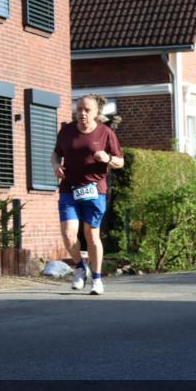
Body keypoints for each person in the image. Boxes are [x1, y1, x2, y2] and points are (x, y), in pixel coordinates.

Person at [51, 93, 124, 295]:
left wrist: (107, 157)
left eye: (87, 110)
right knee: (68, 233)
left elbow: (120, 162)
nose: (82, 113)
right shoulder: (66, 132)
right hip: (69, 189)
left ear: (96, 112)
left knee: (91, 234)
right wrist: (56, 165)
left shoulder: (105, 133)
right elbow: (56, 153)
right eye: (79, 109)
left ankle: (97, 279)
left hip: (94, 189)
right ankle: (81, 268)